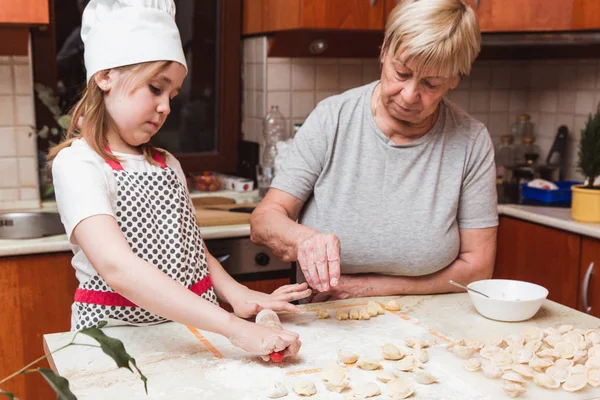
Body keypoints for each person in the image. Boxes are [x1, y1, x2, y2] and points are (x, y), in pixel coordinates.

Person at [48, 0, 310, 360]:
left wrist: (236, 294)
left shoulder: (166, 163)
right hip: (117, 343)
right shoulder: (79, 164)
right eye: (156, 88)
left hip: (189, 334)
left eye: (172, 94)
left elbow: (190, 248)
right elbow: (118, 268)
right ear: (105, 76)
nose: (166, 107)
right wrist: (234, 327)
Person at [250, 0, 498, 302]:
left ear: (455, 79)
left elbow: (478, 267)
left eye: (431, 84)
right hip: (329, 318)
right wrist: (303, 238)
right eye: (402, 73)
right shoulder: (333, 118)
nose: (409, 95)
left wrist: (368, 287)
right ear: (384, 51)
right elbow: (264, 220)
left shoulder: (471, 141)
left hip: (433, 319)